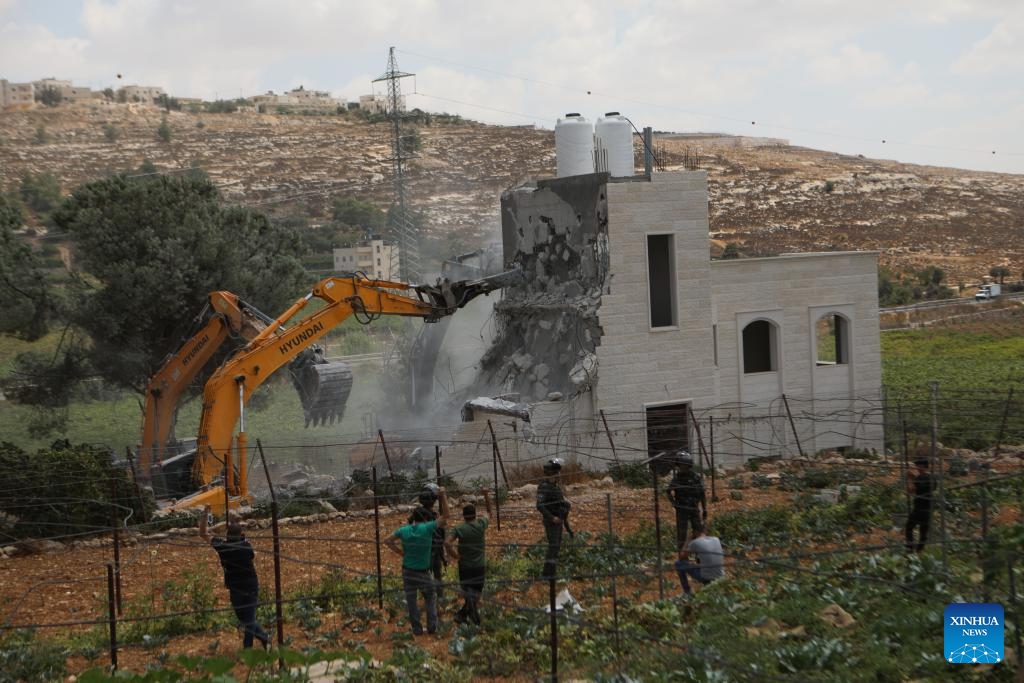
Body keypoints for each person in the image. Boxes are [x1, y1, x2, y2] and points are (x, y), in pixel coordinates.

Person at [199, 506, 270, 649]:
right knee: (247, 620)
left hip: (235, 587)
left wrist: (206, 513)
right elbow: (250, 552)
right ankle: (263, 637)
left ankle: (248, 649)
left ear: (227, 536)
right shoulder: (246, 546)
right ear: (241, 535)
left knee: (247, 620)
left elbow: (203, 533)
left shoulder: (223, 547)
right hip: (250, 585)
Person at [386, 489, 449, 635]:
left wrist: (402, 553)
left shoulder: (404, 530)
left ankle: (416, 629)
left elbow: (387, 541)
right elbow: (446, 515)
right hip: (423, 571)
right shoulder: (426, 528)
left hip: (407, 570)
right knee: (430, 598)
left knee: (411, 601)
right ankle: (432, 627)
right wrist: (443, 495)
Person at [445, 501, 489, 625]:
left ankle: (462, 615)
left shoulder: (459, 529)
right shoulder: (481, 524)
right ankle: (471, 617)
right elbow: (489, 513)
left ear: (463, 516)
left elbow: (447, 543)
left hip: (465, 566)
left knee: (469, 592)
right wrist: (486, 496)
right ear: (475, 515)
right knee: (476, 592)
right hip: (480, 566)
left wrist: (455, 556)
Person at [536, 457, 571, 579]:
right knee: (553, 546)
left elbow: (559, 501)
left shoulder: (555, 486)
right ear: (551, 474)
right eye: (556, 473)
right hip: (552, 521)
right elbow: (539, 505)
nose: (558, 475)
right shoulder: (544, 486)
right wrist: (552, 518)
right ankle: (547, 574)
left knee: (557, 546)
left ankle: (552, 572)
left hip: (559, 520)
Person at [666, 451, 707, 550]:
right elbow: (668, 491)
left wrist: (705, 509)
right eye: (680, 465)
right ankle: (682, 556)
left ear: (688, 465)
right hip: (682, 509)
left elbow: (702, 493)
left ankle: (699, 554)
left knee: (698, 531)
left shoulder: (695, 477)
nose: (681, 467)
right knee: (682, 533)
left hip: (693, 508)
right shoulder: (677, 478)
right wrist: (675, 504)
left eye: (683, 465)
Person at [412, 483, 447, 598]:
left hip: (422, 550)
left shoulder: (417, 514)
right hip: (434, 550)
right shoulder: (432, 516)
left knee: (425, 576)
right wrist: (443, 497)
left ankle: (429, 598)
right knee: (436, 576)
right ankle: (438, 599)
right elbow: (445, 519)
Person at [674, 527, 724, 595]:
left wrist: (687, 540)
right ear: (705, 530)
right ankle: (708, 584)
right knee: (700, 565)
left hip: (706, 577)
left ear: (694, 533)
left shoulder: (695, 542)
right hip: (720, 575)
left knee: (678, 564)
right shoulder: (716, 539)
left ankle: (687, 591)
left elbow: (681, 557)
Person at [905, 458, 934, 553]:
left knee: (909, 528)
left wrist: (909, 479)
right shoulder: (931, 478)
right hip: (928, 509)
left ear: (923, 466)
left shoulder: (920, 478)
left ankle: (910, 548)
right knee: (923, 532)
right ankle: (919, 550)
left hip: (918, 509)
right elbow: (921, 484)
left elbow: (911, 490)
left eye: (918, 465)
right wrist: (913, 477)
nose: (917, 467)